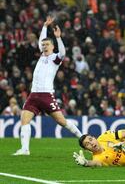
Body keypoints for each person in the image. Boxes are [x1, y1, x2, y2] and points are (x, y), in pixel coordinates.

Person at [13, 16, 82, 156]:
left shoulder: (54, 59)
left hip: (46, 95)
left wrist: (58, 37)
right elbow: (40, 41)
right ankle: (25, 149)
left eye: (46, 45)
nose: (44, 46)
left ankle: (82, 137)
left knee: (61, 121)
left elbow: (63, 53)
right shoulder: (42, 56)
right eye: (43, 45)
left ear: (52, 46)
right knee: (24, 119)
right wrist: (44, 27)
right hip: (33, 94)